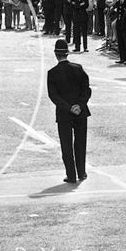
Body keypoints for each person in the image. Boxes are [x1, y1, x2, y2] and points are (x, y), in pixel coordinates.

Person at [47, 39, 91, 184]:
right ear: (68, 52)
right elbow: (87, 90)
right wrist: (79, 105)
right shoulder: (78, 68)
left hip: (64, 113)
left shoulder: (52, 73)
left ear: (56, 54)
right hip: (81, 112)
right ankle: (81, 172)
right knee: (80, 143)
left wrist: (68, 107)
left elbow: (54, 96)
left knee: (66, 145)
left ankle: (71, 175)